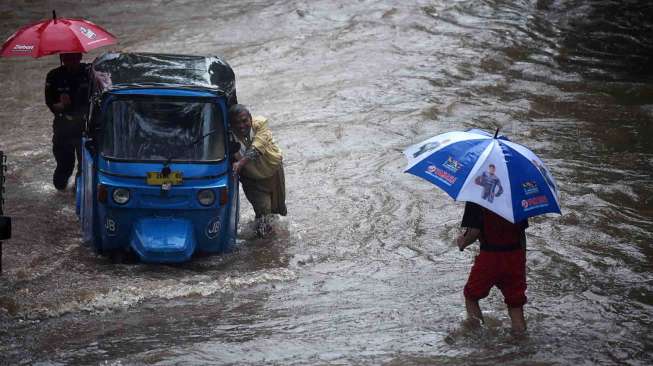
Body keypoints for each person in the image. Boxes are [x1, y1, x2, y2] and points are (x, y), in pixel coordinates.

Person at [456, 201, 529, 333]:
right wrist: (522, 260)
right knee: (516, 304)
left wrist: (463, 242)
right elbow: (521, 234)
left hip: (490, 257)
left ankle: (477, 335)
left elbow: (473, 232)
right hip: (515, 256)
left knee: (471, 296)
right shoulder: (515, 198)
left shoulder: (477, 197)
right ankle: (521, 342)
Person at [229, 104, 287, 237]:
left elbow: (257, 147)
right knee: (264, 213)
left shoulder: (261, 124)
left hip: (274, 172)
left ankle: (267, 242)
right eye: (236, 123)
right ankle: (265, 244)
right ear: (231, 125)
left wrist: (240, 163)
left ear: (250, 118)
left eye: (244, 121)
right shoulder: (228, 138)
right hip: (252, 179)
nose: (241, 126)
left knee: (279, 211)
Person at [44, 52, 90, 191]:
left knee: (85, 165)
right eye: (67, 59)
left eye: (74, 58)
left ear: (80, 57)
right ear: (62, 59)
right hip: (63, 127)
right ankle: (60, 191)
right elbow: (50, 102)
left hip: (85, 126)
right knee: (64, 165)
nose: (71, 62)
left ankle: (79, 190)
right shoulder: (53, 76)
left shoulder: (89, 72)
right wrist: (60, 105)